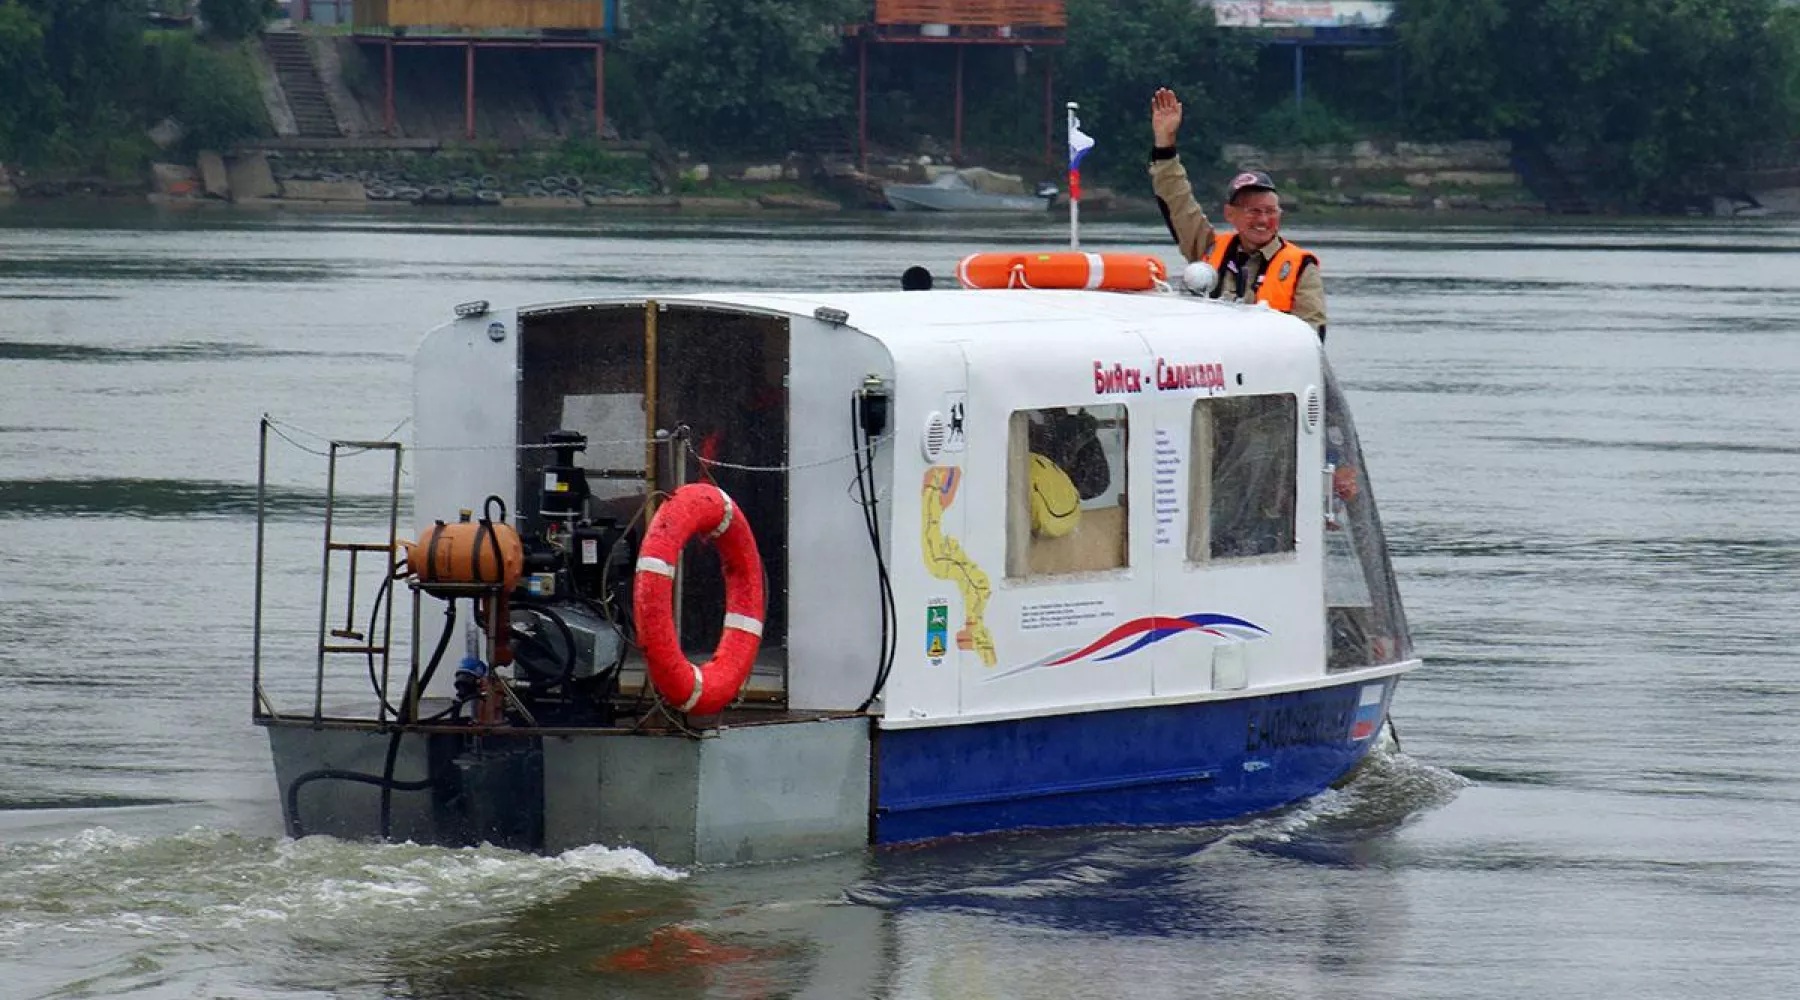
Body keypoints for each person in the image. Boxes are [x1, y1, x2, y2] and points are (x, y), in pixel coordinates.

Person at [1149, 87, 1328, 339]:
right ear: (1230, 214)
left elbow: (1312, 335)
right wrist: (1165, 144)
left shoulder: (1300, 266)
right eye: (1253, 211)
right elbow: (1177, 201)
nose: (1263, 220)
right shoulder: (1207, 248)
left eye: (1270, 211)